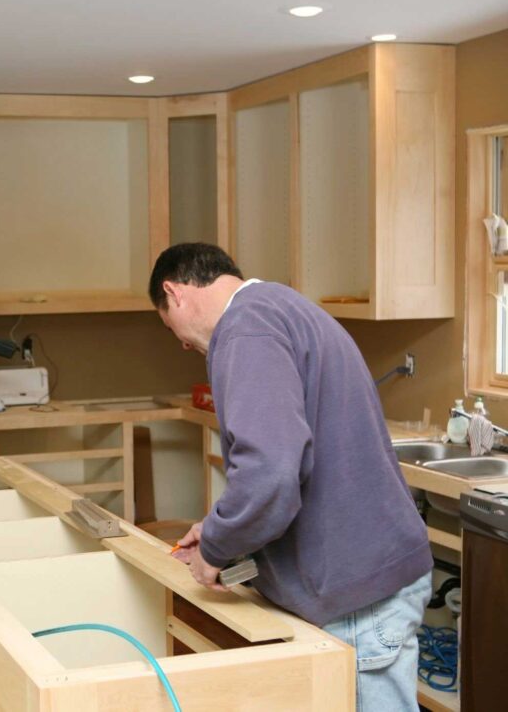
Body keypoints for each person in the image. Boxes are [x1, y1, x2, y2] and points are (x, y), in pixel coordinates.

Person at [149, 243, 432, 711]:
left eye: (169, 327)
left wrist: (217, 549)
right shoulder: (282, 306)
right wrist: (219, 528)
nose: (181, 343)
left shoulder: (245, 330)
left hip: (354, 595)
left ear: (174, 293)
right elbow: (286, 466)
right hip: (364, 577)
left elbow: (271, 472)